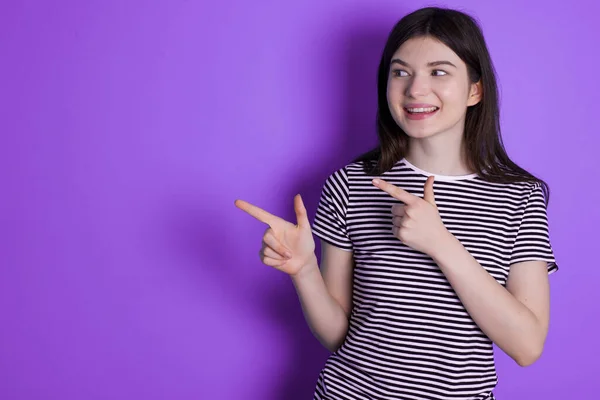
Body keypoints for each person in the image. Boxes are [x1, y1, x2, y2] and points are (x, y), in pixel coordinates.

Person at [235, 6, 558, 400]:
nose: (415, 89)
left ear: (475, 90)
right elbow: (339, 336)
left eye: (439, 71)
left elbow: (527, 346)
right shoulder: (350, 185)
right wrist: (304, 271)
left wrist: (440, 243)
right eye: (401, 72)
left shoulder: (519, 196)